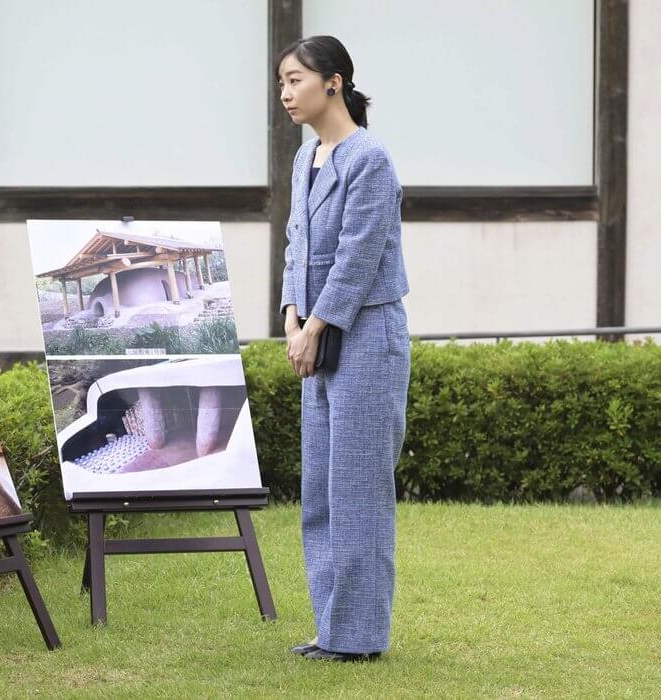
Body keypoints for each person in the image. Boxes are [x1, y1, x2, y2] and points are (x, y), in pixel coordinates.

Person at [276, 35, 411, 662]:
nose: (286, 93)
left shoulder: (370, 158)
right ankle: (333, 629)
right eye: (281, 83)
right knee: (323, 491)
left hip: (365, 339)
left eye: (296, 80)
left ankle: (358, 639)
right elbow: (295, 246)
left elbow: (359, 255)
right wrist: (289, 316)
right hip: (315, 337)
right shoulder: (308, 158)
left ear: (334, 82)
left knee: (359, 488)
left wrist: (316, 325)